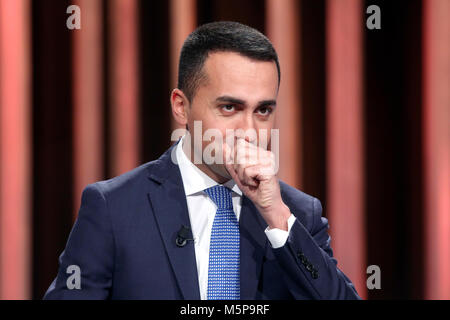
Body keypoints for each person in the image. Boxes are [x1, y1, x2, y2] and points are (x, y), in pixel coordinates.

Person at [44, 21, 360, 300]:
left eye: (262, 110)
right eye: (229, 108)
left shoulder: (298, 215)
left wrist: (276, 218)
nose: (249, 132)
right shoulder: (114, 208)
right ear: (181, 106)